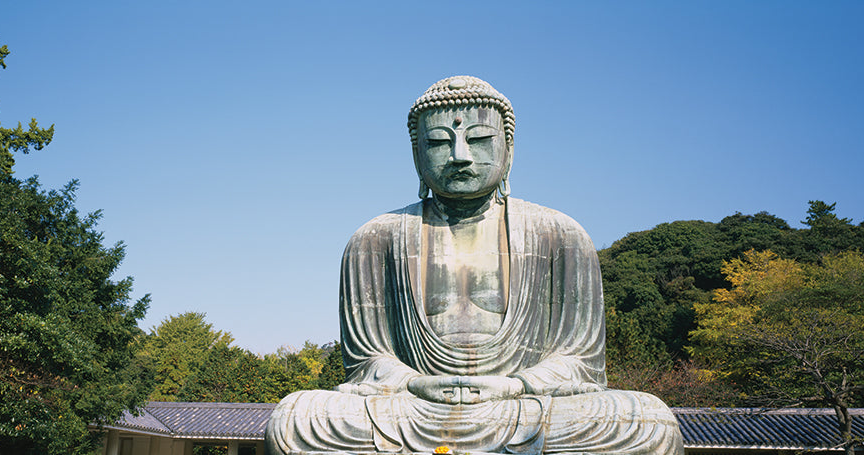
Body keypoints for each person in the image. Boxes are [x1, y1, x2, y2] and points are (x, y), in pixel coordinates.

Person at [265, 76, 684, 455]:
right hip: (415, 409)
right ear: (416, 155)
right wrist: (415, 382)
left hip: (525, 408)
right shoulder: (375, 238)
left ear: (509, 149)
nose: (460, 156)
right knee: (297, 417)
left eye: (480, 139)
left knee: (648, 422)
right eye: (439, 143)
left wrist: (515, 385)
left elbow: (580, 361)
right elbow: (367, 360)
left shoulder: (560, 234)